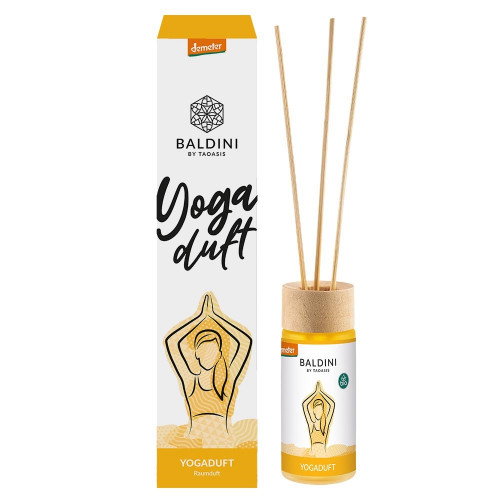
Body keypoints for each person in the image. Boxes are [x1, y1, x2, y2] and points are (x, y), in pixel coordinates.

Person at [165, 292, 252, 447]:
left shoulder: (228, 381)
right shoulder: (189, 381)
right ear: (196, 353)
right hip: (194, 443)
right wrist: (198, 316)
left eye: (212, 350)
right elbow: (171, 342)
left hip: (223, 444)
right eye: (204, 350)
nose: (208, 355)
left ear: (219, 354)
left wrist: (218, 316)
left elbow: (246, 341)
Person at [302, 381, 335, 455]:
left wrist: (321, 392)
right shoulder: (311, 425)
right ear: (313, 411)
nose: (318, 412)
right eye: (317, 409)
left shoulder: (325, 426)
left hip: (323, 454)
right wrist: (315, 393)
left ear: (323, 411)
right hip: (312, 455)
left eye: (320, 410)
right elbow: (304, 405)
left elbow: (332, 405)